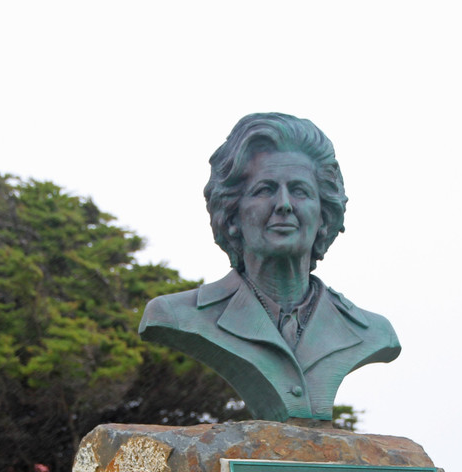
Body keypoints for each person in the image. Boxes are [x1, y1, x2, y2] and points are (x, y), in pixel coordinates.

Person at [139, 113, 399, 421]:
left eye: (300, 191)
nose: (284, 204)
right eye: (265, 189)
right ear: (232, 216)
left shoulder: (371, 331)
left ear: (323, 217)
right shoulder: (177, 316)